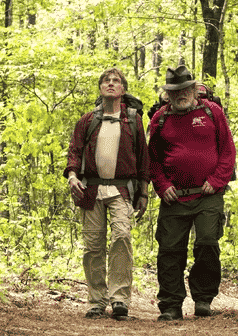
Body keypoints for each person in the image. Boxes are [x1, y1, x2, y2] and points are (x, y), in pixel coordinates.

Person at [148, 65, 236, 321]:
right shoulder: (160, 119)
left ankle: (203, 298)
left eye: (184, 90)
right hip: (174, 196)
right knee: (169, 250)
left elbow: (228, 151)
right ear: (168, 94)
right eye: (174, 91)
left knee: (207, 242)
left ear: (193, 90)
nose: (180, 95)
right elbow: (153, 160)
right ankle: (171, 304)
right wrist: (162, 186)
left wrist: (217, 180)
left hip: (208, 194)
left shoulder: (212, 112)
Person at [64, 68, 150, 319]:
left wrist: (143, 192)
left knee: (122, 236)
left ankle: (120, 299)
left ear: (123, 89)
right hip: (91, 189)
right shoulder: (87, 120)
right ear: (100, 88)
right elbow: (74, 152)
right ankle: (96, 301)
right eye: (106, 81)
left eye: (116, 81)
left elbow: (143, 157)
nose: (111, 84)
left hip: (122, 189)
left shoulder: (133, 120)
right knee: (93, 246)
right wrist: (71, 176)